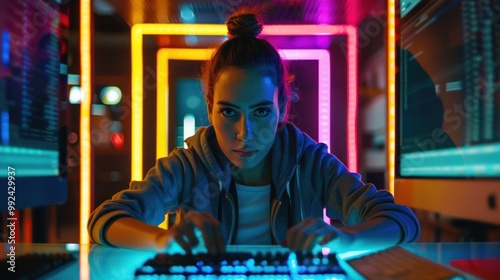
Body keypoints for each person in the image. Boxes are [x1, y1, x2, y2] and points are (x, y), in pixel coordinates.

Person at [88, 9, 421, 254]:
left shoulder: (310, 162)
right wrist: (163, 239)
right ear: (209, 109)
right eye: (229, 112)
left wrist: (347, 238)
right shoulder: (188, 166)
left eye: (261, 112)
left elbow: (401, 220)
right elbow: (104, 219)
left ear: (282, 109)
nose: (245, 134)